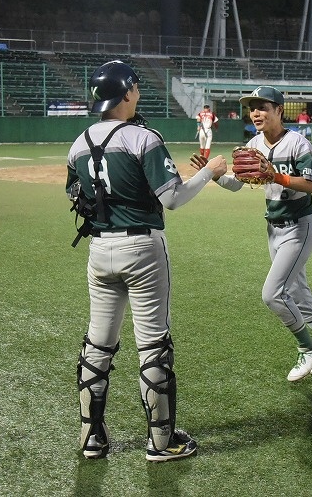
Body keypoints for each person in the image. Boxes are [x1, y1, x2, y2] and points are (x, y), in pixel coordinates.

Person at [67, 60, 227, 461]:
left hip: (99, 250)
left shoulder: (79, 142)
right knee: (154, 343)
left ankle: (91, 438)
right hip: (141, 248)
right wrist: (209, 172)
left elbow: (75, 195)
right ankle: (161, 441)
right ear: (127, 93)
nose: (137, 92)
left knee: (98, 343)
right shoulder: (143, 137)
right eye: (135, 87)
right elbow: (173, 197)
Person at [193, 85, 312, 381]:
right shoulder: (254, 144)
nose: (255, 113)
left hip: (299, 227)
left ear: (279, 110)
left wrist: (275, 175)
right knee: (299, 293)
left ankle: (308, 347)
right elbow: (237, 183)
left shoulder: (298, 144)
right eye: (252, 108)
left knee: (273, 294)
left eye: (262, 107)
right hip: (273, 228)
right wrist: (213, 175)